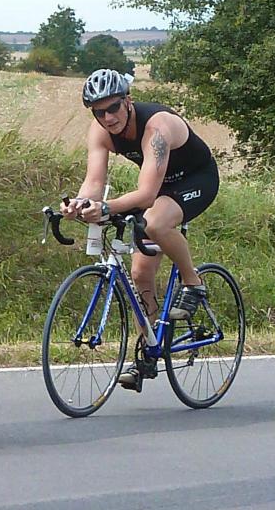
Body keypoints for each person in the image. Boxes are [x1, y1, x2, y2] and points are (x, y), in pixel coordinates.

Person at [61, 68, 219, 388]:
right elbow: (94, 182)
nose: (108, 117)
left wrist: (107, 207)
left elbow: (146, 196)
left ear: (128, 101)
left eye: (114, 107)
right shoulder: (100, 131)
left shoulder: (156, 126)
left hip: (196, 180)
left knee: (156, 222)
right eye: (99, 112)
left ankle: (193, 282)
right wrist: (79, 204)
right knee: (140, 274)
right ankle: (149, 351)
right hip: (160, 187)